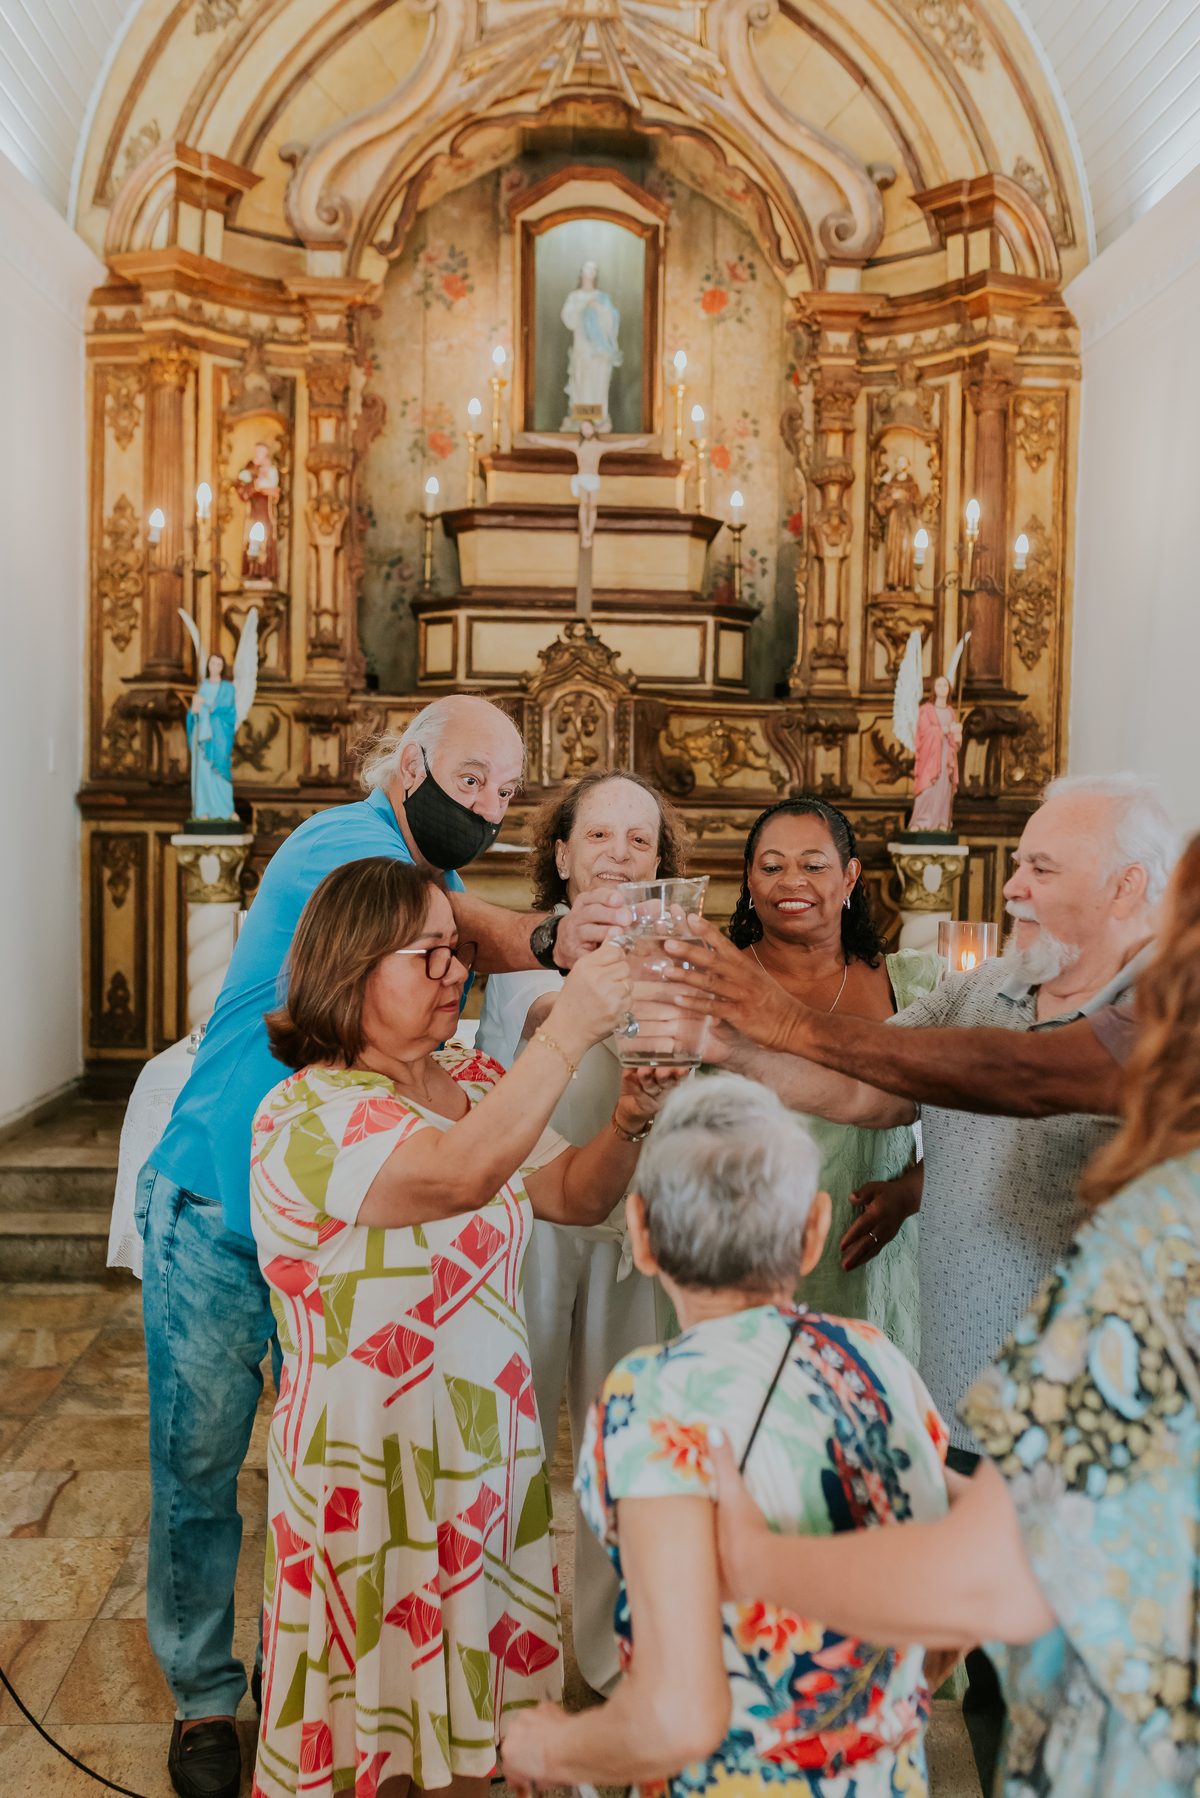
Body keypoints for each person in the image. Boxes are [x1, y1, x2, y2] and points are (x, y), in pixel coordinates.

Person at [137, 695, 634, 1798]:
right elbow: (464, 929)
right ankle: (207, 1698)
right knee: (203, 1466)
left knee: (352, 1435)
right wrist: (559, 948)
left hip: (380, 1241)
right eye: (471, 780)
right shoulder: (344, 846)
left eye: (508, 792)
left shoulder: (440, 962)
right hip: (220, 1197)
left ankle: (344, 1686)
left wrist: (630, 1110)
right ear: (410, 765)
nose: (488, 806)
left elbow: (543, 1173)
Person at [669, 773, 1175, 1785]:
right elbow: (872, 1085)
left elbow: (1020, 1077)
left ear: (1126, 888)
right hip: (968, 1395)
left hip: (1096, 1416)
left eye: (1041, 867)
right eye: (1018, 862)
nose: (1014, 886)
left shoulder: (1163, 1001)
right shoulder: (990, 987)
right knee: (997, 1679)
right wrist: (732, 1046)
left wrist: (783, 1016)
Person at [250, 856, 684, 1798]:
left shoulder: (474, 1078)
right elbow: (457, 1176)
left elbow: (572, 1195)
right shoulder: (307, 1113)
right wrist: (569, 1029)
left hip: (483, 1457)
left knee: (474, 1736)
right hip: (373, 1468)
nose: (455, 972)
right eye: (428, 955)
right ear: (351, 966)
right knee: (376, 1734)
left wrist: (630, 1118)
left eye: (459, 952)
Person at [500, 1074, 952, 1798]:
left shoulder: (649, 1399)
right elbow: (962, 1571)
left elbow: (676, 1715)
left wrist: (553, 1746)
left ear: (641, 1233)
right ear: (814, 1229)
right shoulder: (878, 1362)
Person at [476, 769, 689, 1695]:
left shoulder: (682, 958)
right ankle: (504, 1662)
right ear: (560, 855)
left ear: (662, 861)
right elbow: (540, 1022)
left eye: (640, 840)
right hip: (528, 1223)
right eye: (598, 835)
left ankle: (609, 1661)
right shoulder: (516, 955)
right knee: (510, 1442)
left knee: (621, 1448)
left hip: (630, 1224)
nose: (618, 855)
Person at [722, 797, 939, 1361]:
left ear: (849, 876)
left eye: (813, 865)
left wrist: (910, 1192)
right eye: (771, 866)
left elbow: (978, 1117)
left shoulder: (913, 984)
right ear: (750, 880)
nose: (791, 880)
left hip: (868, 1261)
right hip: (735, 1262)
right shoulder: (714, 982)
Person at [908, 674, 962, 833]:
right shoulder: (926, 710)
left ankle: (942, 821)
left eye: (945, 685)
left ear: (949, 689)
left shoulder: (951, 711)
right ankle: (920, 821)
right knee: (928, 788)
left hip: (946, 756)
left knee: (945, 788)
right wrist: (946, 729)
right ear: (934, 689)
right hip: (930, 757)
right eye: (939, 685)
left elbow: (955, 737)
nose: (942, 688)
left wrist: (957, 735)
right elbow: (923, 732)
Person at [187, 651, 237, 821]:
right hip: (201, 735)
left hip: (219, 735)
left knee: (220, 769)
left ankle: (226, 810)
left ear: (223, 667)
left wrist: (205, 703)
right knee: (202, 772)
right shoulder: (201, 686)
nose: (215, 667)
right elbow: (193, 712)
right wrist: (194, 709)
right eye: (212, 663)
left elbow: (228, 709)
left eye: (218, 664)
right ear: (208, 665)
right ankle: (203, 809)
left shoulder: (227, 688)